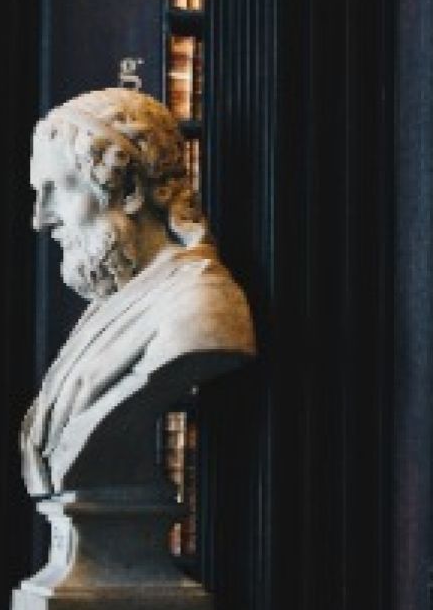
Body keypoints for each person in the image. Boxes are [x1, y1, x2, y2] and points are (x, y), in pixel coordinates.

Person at [20, 87, 256, 497]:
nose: (40, 219)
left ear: (129, 190)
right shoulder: (110, 304)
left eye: (59, 189)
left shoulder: (199, 307)